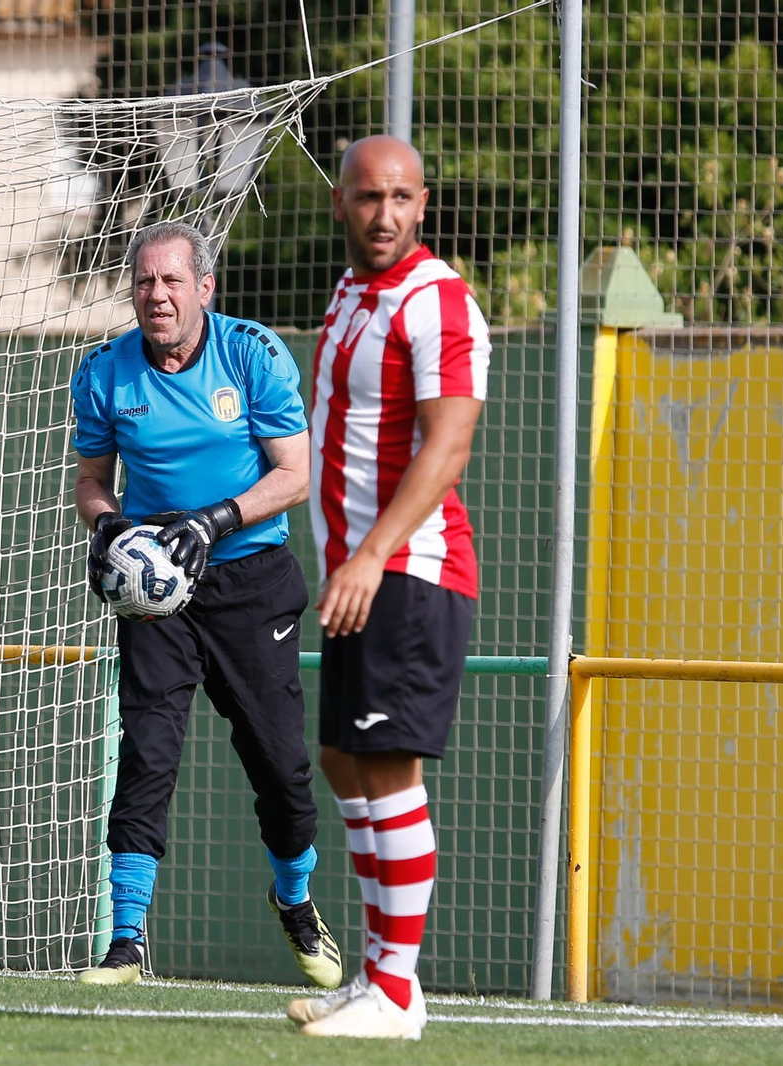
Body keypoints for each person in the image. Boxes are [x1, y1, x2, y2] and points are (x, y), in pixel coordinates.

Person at [71, 221, 341, 989]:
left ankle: (294, 899)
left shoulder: (252, 354)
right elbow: (92, 482)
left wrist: (213, 521)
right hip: (157, 596)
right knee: (147, 754)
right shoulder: (104, 372)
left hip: (251, 583)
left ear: (204, 289)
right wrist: (110, 527)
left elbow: (295, 474)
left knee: (281, 769)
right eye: (144, 282)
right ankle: (126, 941)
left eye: (171, 281)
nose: (156, 295)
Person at [286, 135, 491, 1040]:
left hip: (409, 569)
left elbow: (449, 448)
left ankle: (395, 992)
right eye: (370, 197)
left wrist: (371, 555)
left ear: (424, 204)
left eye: (402, 197)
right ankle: (379, 977)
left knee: (388, 768)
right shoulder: (348, 294)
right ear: (341, 203)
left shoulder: (437, 299)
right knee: (343, 759)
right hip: (359, 576)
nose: (385, 214)